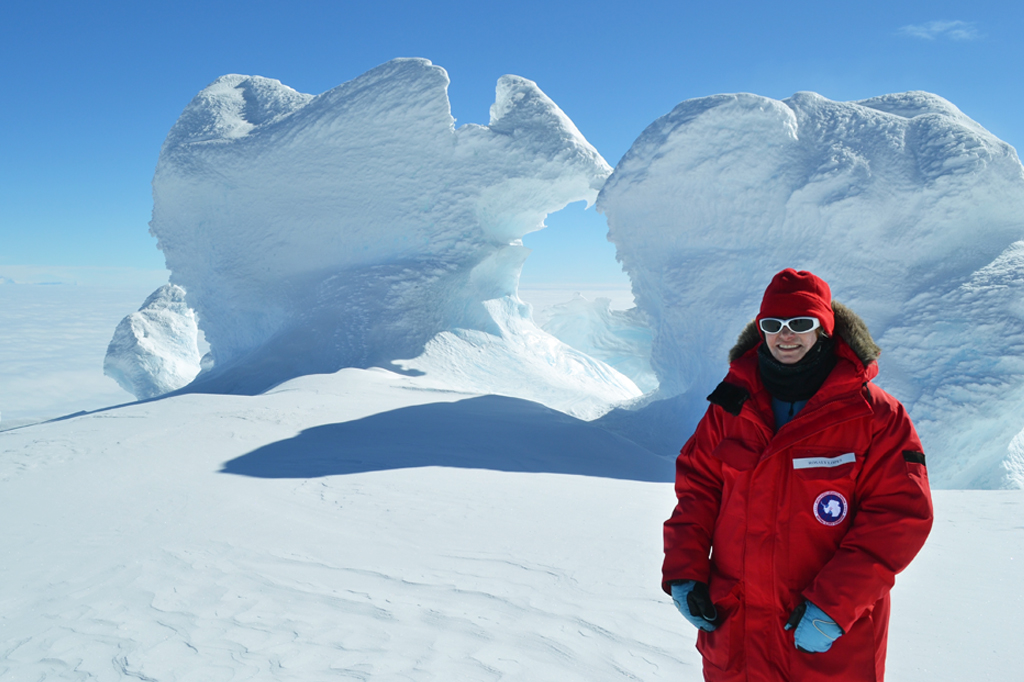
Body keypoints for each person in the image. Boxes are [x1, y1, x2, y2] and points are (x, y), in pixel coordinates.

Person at [662, 269, 933, 682]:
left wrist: (835, 605)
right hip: (738, 632)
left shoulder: (875, 415)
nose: (785, 335)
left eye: (801, 324)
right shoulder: (732, 404)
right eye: (773, 325)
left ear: (823, 329)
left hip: (824, 633)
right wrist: (686, 568)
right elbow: (698, 488)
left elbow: (898, 516)